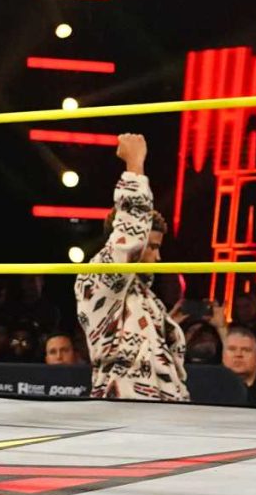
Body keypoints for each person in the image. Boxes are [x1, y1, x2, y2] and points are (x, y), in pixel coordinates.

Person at [73, 132, 190, 403]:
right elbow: (129, 237)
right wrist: (134, 166)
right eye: (152, 247)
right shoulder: (96, 280)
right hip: (121, 412)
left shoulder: (149, 301)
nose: (157, 258)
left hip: (164, 416)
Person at [220, 327, 256, 402]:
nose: (238, 354)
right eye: (232, 349)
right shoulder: (210, 390)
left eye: (246, 350)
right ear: (223, 357)